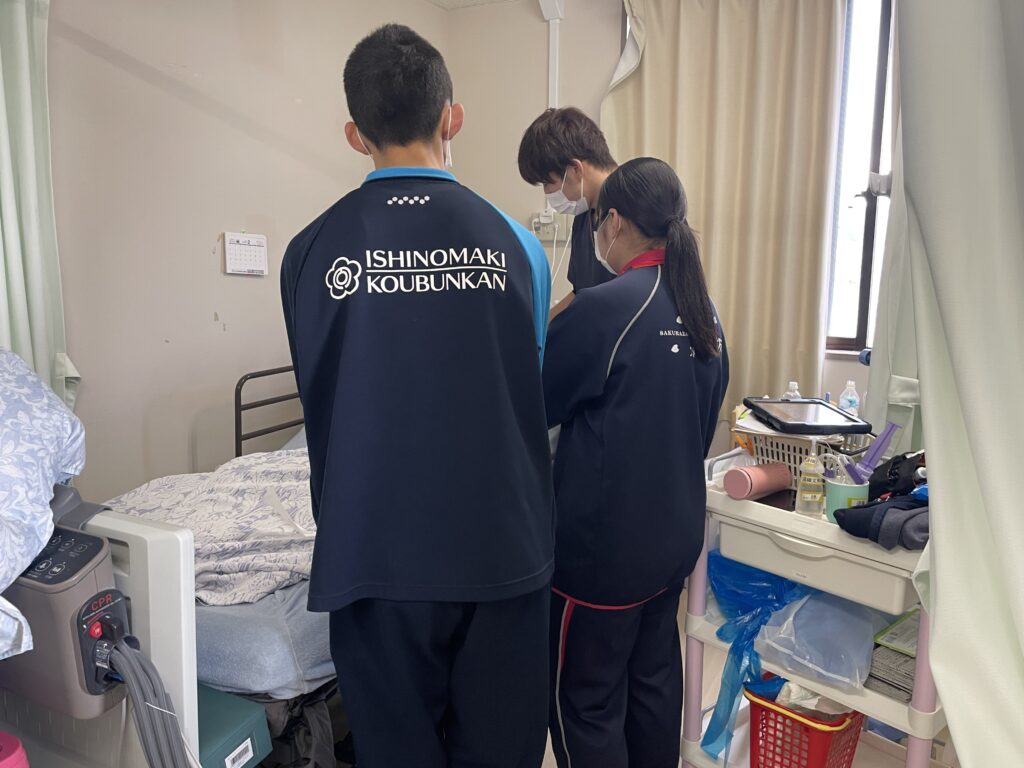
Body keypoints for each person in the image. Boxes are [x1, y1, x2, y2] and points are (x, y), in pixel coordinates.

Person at [280, 24, 554, 768]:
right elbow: (520, 382)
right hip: (503, 549)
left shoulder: (307, 253)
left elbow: (321, 390)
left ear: (353, 134)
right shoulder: (520, 247)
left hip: (370, 556)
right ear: (451, 118)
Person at [542, 157, 729, 768]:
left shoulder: (606, 309)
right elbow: (701, 423)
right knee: (652, 683)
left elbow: (537, 403)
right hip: (672, 543)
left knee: (586, 701)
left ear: (615, 221)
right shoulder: (704, 313)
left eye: (598, 222)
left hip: (603, 557)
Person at [517, 107, 618, 317]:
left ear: (575, 169)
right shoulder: (584, 216)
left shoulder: (634, 205)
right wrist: (540, 326)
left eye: (548, 182)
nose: (547, 192)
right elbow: (580, 292)